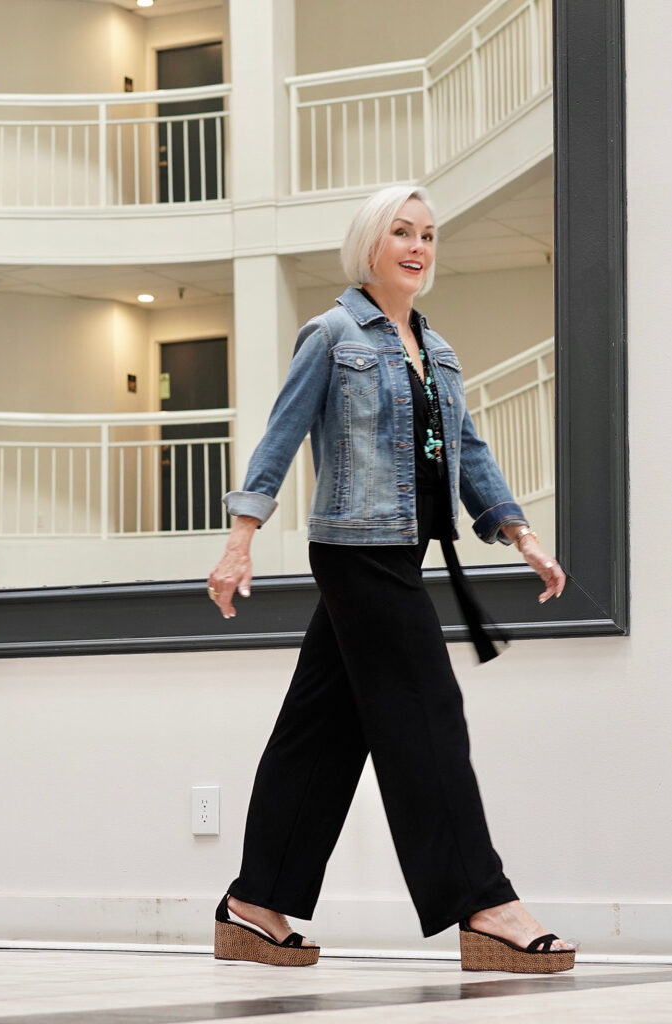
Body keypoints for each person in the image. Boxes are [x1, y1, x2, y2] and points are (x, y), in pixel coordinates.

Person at [206, 185, 575, 973]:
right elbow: (281, 437)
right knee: (427, 712)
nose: (418, 246)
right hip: (356, 550)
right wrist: (240, 542)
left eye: (429, 235)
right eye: (401, 232)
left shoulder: (436, 351)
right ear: (370, 246)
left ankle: (253, 903)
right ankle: (483, 901)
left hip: (402, 550)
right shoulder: (333, 334)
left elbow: (467, 451)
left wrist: (521, 532)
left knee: (322, 729)